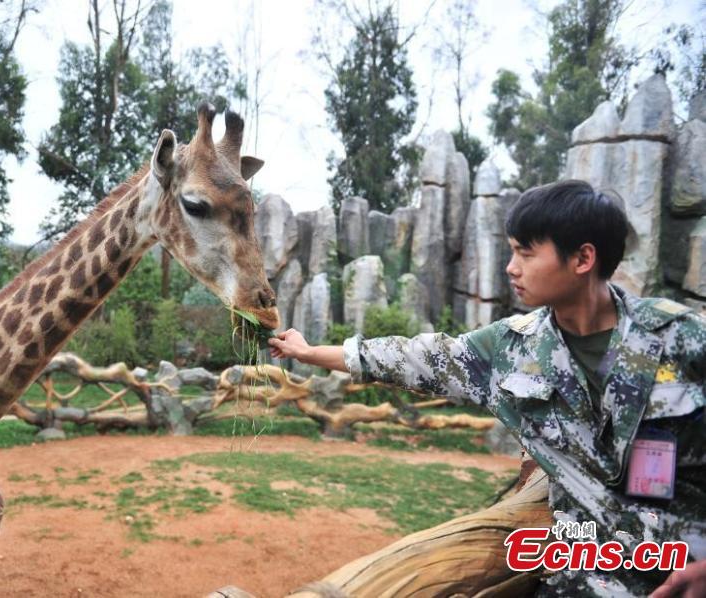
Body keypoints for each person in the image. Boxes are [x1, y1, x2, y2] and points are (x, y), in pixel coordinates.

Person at [268, 180, 705, 597]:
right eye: (512, 251)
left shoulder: (681, 338)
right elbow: (414, 357)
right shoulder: (511, 348)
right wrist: (310, 352)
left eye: (526, 253)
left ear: (582, 259)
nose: (511, 267)